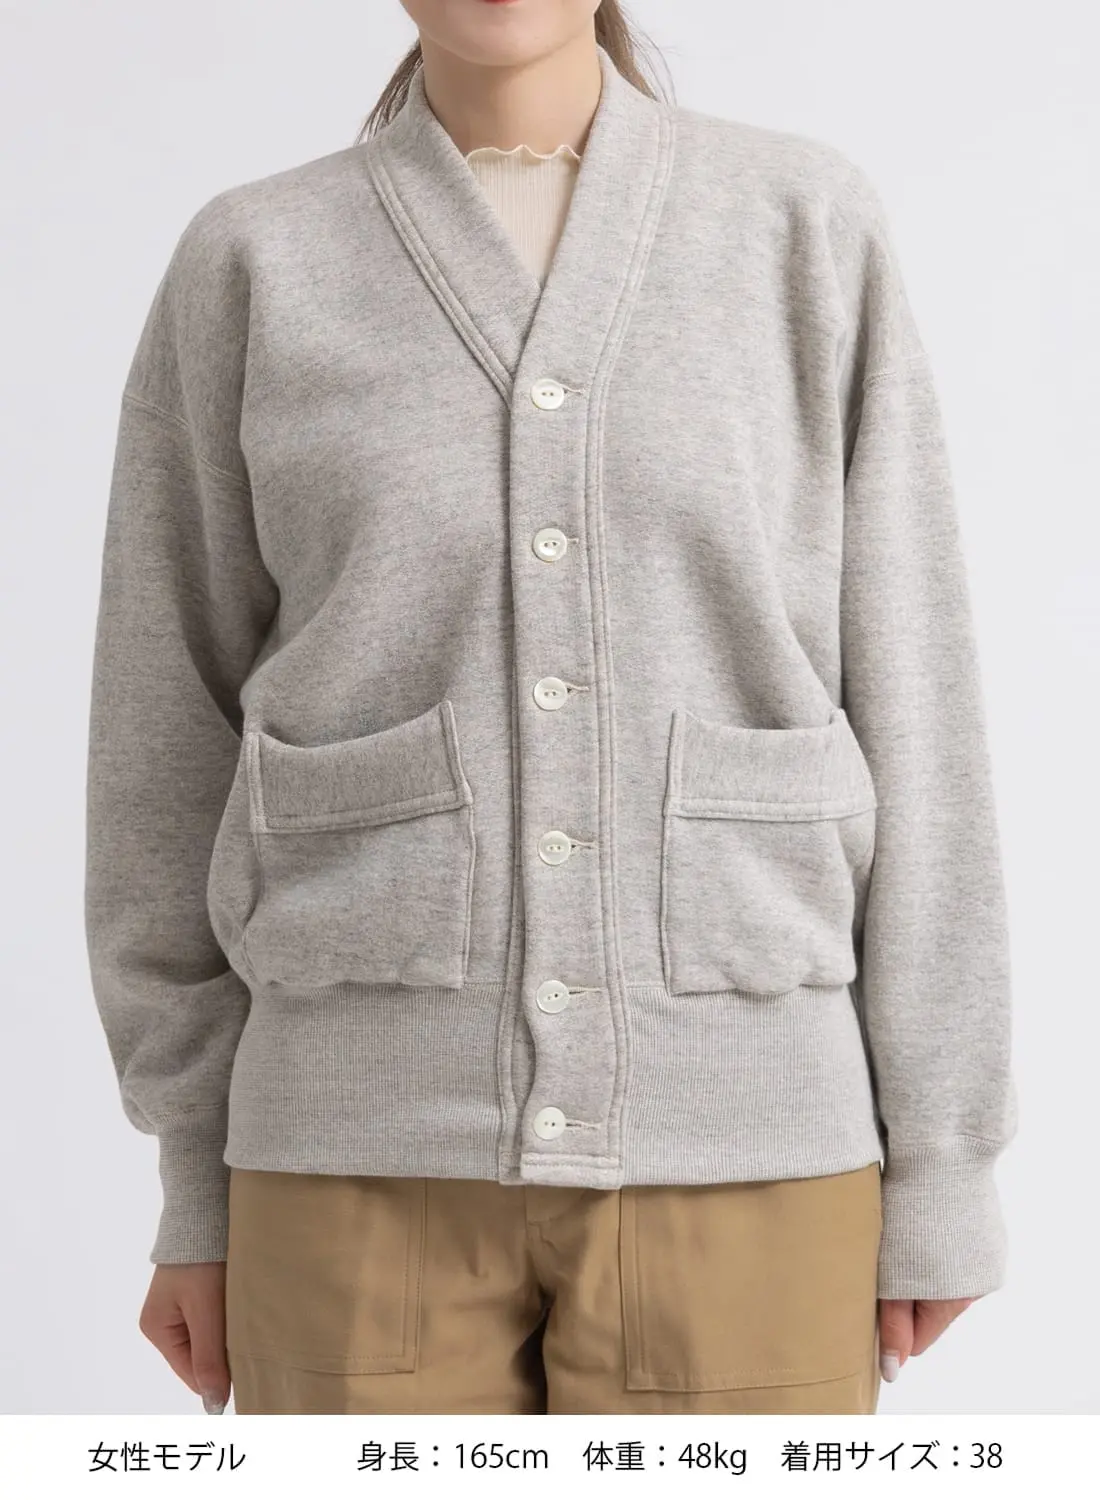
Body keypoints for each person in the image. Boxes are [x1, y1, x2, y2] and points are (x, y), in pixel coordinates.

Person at [84, 0, 1016, 1417]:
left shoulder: (799, 224)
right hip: (349, 1160)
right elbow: (162, 730)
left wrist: (943, 1161)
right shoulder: (256, 258)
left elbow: (914, 684)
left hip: (749, 1137)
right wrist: (195, 1176)